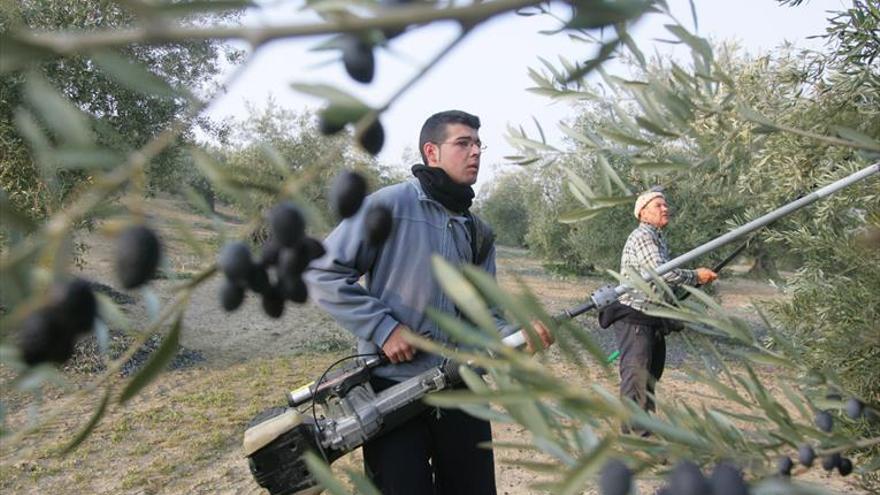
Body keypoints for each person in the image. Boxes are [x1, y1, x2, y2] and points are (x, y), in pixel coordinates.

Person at [305, 110, 553, 494]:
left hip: (462, 387)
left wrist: (516, 337)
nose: (475, 153)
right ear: (431, 152)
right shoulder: (387, 206)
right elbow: (322, 271)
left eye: (477, 144)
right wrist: (384, 329)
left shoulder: (478, 232)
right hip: (391, 392)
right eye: (463, 143)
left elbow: (484, 315)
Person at [612, 189, 717, 433]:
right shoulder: (643, 237)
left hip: (650, 316)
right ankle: (639, 435)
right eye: (658, 205)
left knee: (649, 373)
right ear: (643, 213)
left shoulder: (657, 238)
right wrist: (695, 276)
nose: (665, 208)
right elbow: (661, 273)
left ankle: (639, 426)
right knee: (638, 374)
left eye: (665, 204)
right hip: (635, 315)